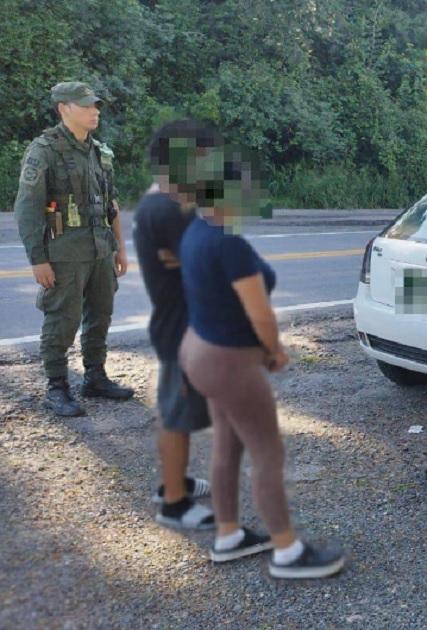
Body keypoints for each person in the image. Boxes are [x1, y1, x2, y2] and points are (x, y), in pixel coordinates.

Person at [178, 153, 344, 579]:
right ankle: (287, 552)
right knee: (268, 453)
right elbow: (260, 315)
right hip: (230, 361)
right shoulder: (229, 243)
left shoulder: (196, 231)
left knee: (227, 446)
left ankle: (229, 535)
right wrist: (274, 351)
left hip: (200, 351)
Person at [13, 81, 133, 416]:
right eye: (86, 105)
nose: (95, 111)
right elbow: (26, 208)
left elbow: (111, 204)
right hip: (65, 252)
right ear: (64, 108)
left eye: (96, 105)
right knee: (62, 320)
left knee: (100, 315)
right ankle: (56, 388)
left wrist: (119, 249)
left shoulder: (98, 151)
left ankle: (95, 377)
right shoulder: (45, 150)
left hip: (99, 249)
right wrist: (38, 259)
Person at [133, 120, 225, 529]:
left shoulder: (166, 201)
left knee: (180, 409)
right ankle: (173, 502)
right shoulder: (170, 209)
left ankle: (176, 480)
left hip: (180, 320)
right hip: (182, 326)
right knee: (177, 414)